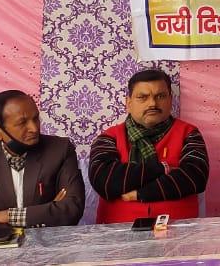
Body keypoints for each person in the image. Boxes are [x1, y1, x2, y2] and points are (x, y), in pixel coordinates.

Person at [89, 69, 209, 223]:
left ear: (170, 100)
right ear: (128, 103)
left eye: (160, 96)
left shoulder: (189, 133)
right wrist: (163, 169)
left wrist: (140, 193)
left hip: (178, 229)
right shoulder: (108, 138)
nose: (152, 103)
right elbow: (105, 182)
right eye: (142, 97)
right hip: (116, 231)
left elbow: (195, 177)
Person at [0, 90, 85, 231]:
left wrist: (8, 216)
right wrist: (46, 212)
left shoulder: (60, 150)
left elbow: (72, 210)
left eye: (35, 118)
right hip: (1, 244)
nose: (34, 128)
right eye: (22, 122)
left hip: (50, 243)